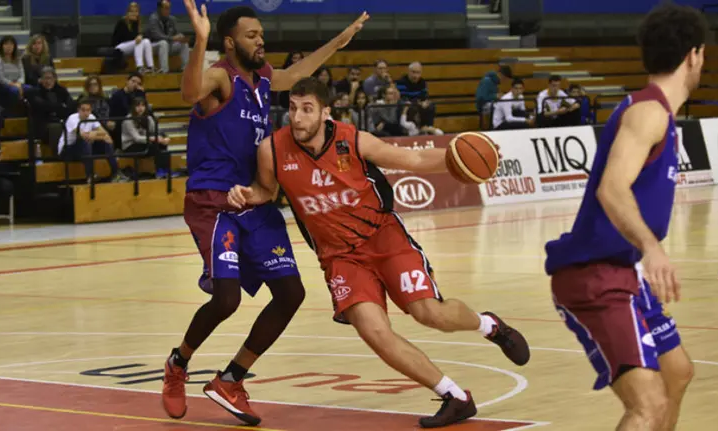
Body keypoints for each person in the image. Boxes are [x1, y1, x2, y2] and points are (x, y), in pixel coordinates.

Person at [227, 77, 530, 429]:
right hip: (340, 257)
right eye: (293, 108)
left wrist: (461, 158)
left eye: (307, 109)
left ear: (325, 113)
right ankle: (454, 396)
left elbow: (414, 158)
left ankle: (490, 326)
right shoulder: (273, 150)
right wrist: (247, 195)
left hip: (384, 239)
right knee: (374, 332)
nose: (297, 117)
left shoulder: (354, 140)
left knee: (430, 313)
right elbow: (266, 189)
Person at [161, 1, 367, 425]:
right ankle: (178, 363)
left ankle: (230, 379)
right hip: (215, 201)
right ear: (230, 42)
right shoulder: (220, 76)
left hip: (255, 199)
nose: (261, 40)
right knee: (226, 299)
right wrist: (199, 40)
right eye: (252, 35)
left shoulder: (262, 80)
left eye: (261, 34)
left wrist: (339, 41)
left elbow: (295, 74)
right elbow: (189, 92)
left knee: (291, 293)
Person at [544, 4, 706, 430]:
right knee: (647, 405)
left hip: (623, 270)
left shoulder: (657, 112)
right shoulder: (648, 112)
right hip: (595, 275)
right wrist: (652, 247)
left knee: (677, 373)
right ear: (694, 55)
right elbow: (612, 188)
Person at [58, 98, 126, 184]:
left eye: (88, 110)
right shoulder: (72, 118)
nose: (86, 113)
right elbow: (83, 135)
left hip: (84, 149)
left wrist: (96, 134)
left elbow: (105, 133)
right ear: (78, 110)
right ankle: (90, 176)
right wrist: (98, 136)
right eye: (83, 110)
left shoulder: (91, 117)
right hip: (67, 150)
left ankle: (115, 173)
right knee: (86, 142)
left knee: (107, 142)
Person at [146, 0, 189, 74]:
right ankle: (164, 71)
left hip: (168, 45)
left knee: (183, 43)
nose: (168, 10)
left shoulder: (172, 19)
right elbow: (157, 36)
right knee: (163, 43)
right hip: (153, 46)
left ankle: (186, 69)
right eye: (166, 8)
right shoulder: (153, 18)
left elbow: (175, 33)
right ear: (159, 9)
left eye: (169, 8)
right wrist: (172, 38)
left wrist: (180, 37)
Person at [113, 2, 155, 74]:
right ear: (127, 13)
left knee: (146, 41)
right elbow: (125, 38)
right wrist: (139, 37)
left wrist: (141, 36)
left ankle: (150, 67)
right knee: (139, 41)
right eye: (131, 11)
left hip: (132, 45)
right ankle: (139, 67)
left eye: (136, 12)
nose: (134, 13)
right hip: (119, 47)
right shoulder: (122, 22)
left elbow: (144, 35)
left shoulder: (137, 22)